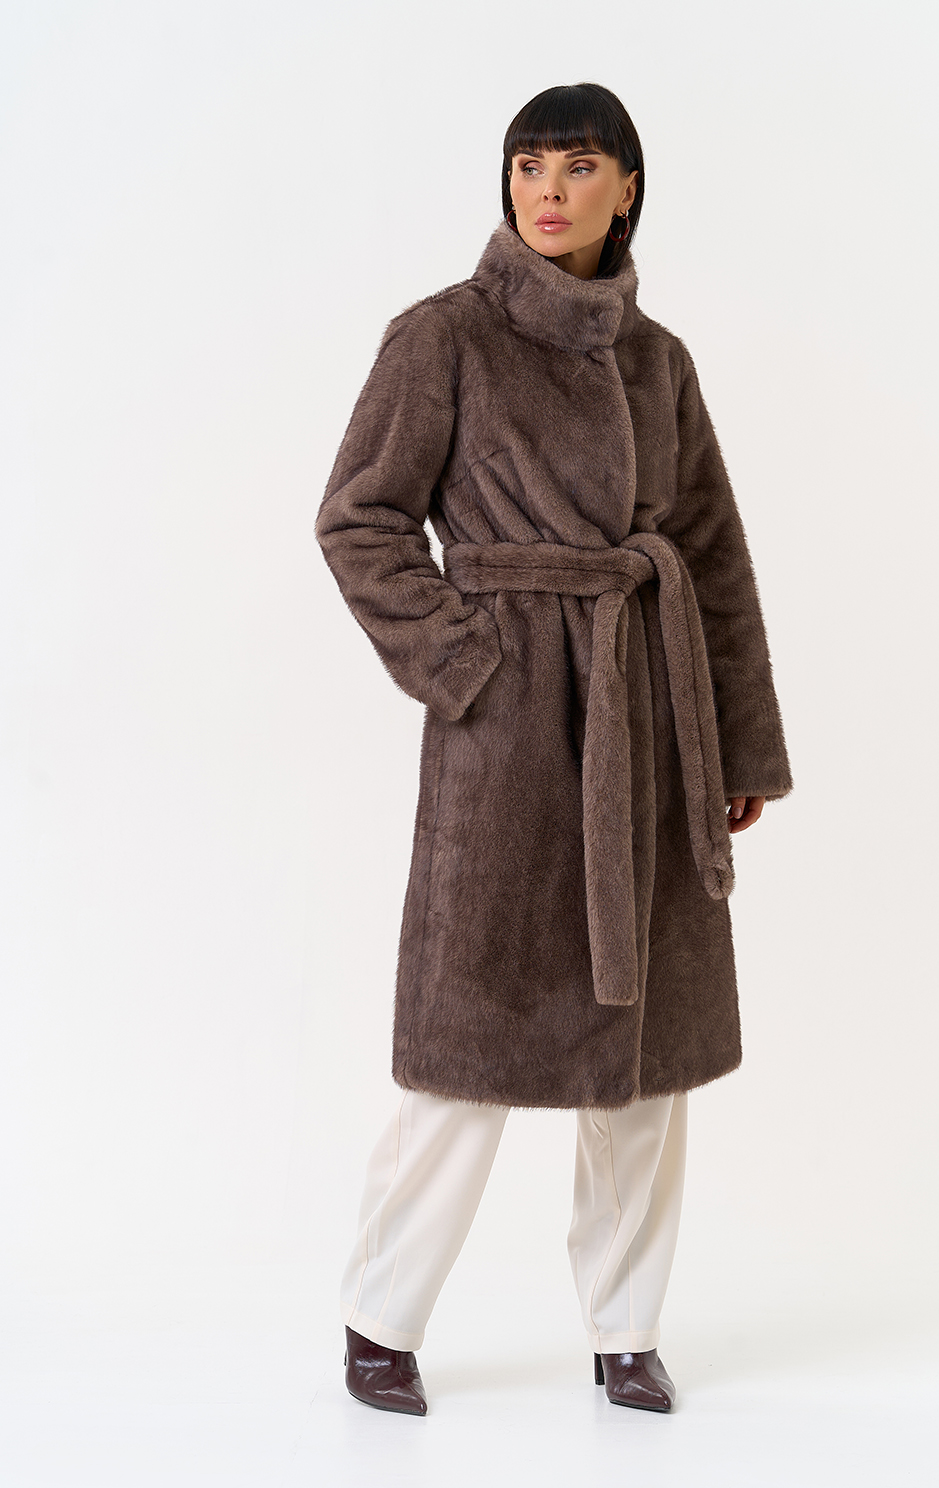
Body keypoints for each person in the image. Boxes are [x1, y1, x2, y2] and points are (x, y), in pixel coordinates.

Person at [315, 82, 793, 1417]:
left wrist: (735, 746)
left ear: (626, 189)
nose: (549, 189)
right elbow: (358, 519)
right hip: (508, 741)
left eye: (579, 166)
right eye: (529, 165)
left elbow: (711, 556)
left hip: (649, 727)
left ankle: (626, 1331)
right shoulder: (444, 337)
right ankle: (379, 1321)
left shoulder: (660, 363)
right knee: (463, 1049)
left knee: (641, 1059)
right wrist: (469, 664)